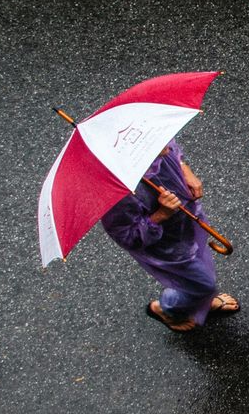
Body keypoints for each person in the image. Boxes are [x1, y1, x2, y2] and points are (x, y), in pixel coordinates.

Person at [100, 140, 239, 332]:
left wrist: (184, 169)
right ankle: (167, 307)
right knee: (203, 284)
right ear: (137, 155)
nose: (168, 147)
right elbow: (128, 238)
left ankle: (200, 300)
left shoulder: (156, 146)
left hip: (187, 224)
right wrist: (161, 215)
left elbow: (173, 148)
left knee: (201, 269)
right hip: (169, 245)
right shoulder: (119, 196)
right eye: (157, 145)